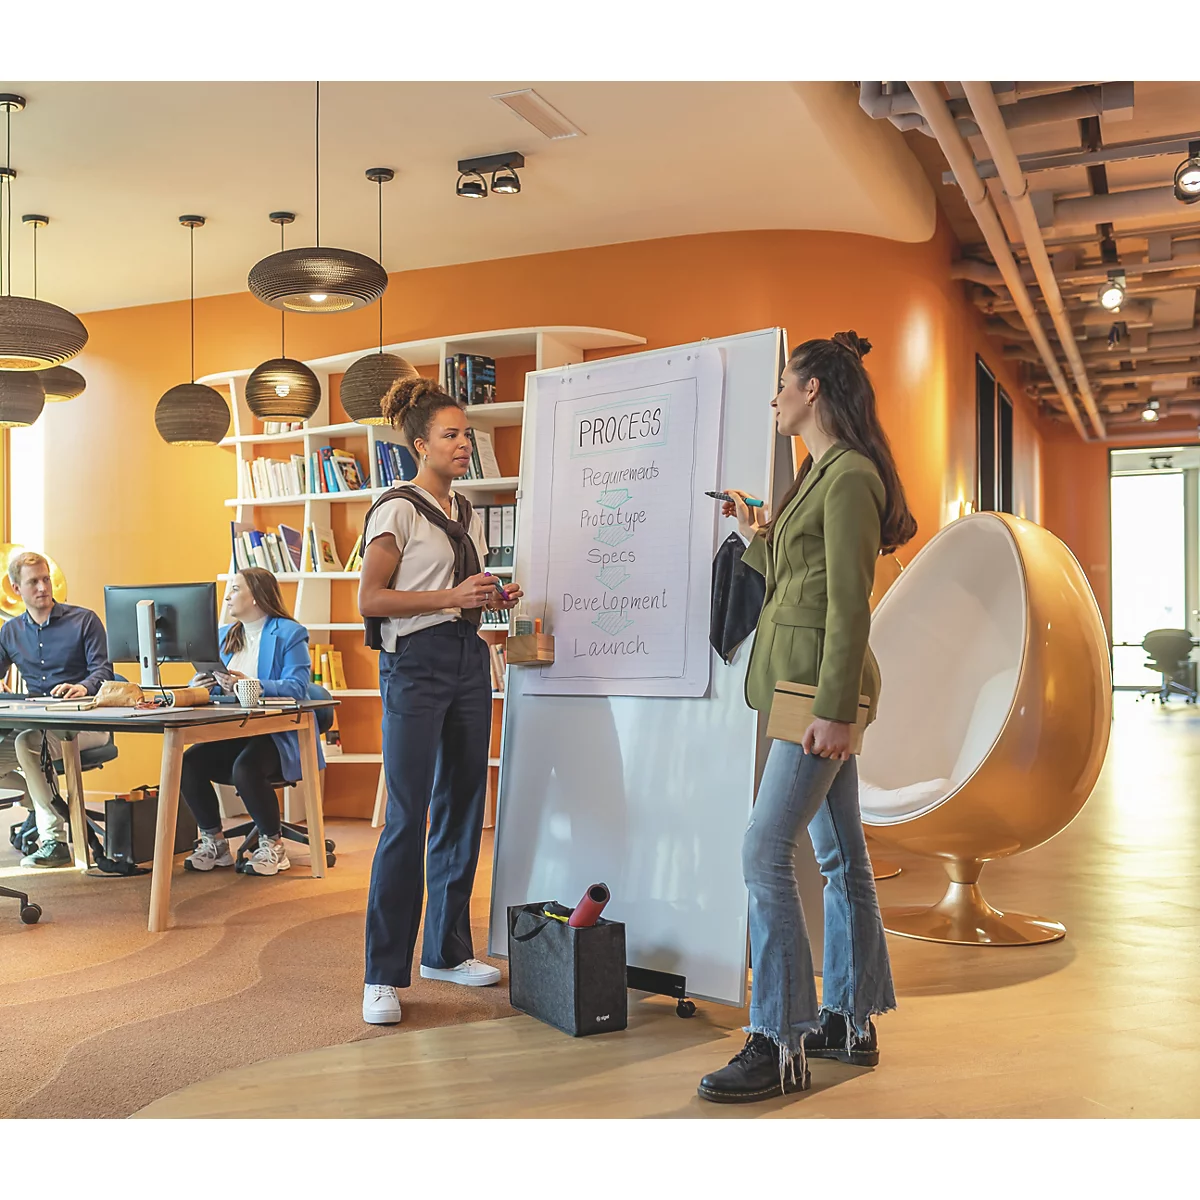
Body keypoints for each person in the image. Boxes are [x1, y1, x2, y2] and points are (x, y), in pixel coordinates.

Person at [697, 331, 917, 1104]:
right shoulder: (817, 472)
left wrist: (833, 711)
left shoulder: (850, 475)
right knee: (839, 856)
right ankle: (850, 1022)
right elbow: (798, 573)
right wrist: (759, 525)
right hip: (797, 688)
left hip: (815, 697)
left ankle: (778, 1039)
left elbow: (851, 602)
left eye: (783, 385)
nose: (775, 397)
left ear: (814, 389)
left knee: (765, 851)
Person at [357, 376, 523, 1026]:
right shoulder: (394, 508)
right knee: (408, 815)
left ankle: (447, 952)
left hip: (464, 659)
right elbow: (371, 600)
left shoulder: (464, 513)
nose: (463, 443)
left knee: (462, 806)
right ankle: (381, 974)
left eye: (467, 433)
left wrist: (485, 602)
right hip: (415, 668)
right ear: (421, 443)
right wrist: (450, 598)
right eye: (451, 434)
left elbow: (452, 593)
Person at [180, 566, 323, 877]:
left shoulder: (289, 633)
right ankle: (215, 843)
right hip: (233, 732)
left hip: (277, 734)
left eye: (235, 589)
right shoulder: (222, 636)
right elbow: (217, 687)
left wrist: (252, 684)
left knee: (245, 768)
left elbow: (298, 687)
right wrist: (199, 686)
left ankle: (273, 846)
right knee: (188, 762)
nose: (228, 596)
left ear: (256, 596)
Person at [0, 551, 114, 867]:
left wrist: (84, 686)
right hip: (39, 726)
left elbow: (104, 670)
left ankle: (53, 839)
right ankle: (46, 804)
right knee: (26, 743)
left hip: (87, 725)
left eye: (45, 579)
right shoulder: (10, 632)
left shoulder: (84, 620)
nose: (42, 587)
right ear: (15, 588)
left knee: (27, 743)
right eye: (33, 581)